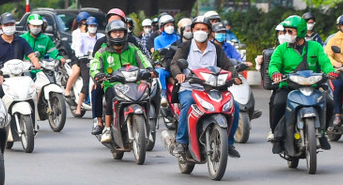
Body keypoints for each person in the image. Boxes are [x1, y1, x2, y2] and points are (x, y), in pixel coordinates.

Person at [169, 16, 242, 158]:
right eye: (197, 29)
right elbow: (174, 63)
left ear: (209, 31)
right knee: (189, 103)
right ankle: (181, 142)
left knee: (235, 107)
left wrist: (235, 76)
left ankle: (229, 143)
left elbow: (228, 65)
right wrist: (178, 74)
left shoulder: (216, 49)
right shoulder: (185, 47)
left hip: (213, 89)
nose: (200, 32)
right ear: (192, 31)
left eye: (204, 29)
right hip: (190, 88)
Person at [268, 15, 336, 152]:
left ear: (300, 32)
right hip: (288, 86)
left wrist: (331, 71)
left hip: (312, 85)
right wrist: (275, 74)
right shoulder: (281, 49)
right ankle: (277, 136)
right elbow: (273, 65)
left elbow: (325, 62)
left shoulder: (315, 47)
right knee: (278, 103)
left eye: (290, 31)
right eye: (285, 31)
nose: (286, 34)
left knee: (329, 102)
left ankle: (323, 133)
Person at [90, 19, 153, 143]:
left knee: (147, 93)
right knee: (110, 96)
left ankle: (148, 127)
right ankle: (107, 128)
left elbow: (143, 60)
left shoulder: (133, 49)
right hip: (112, 84)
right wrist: (98, 74)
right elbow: (95, 66)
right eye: (115, 32)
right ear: (109, 35)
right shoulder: (103, 52)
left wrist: (149, 69)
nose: (118, 35)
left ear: (125, 34)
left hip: (134, 83)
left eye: (120, 32)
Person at [66, 16, 101, 115]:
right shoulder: (82, 37)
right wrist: (82, 54)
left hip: (96, 61)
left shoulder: (99, 37)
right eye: (90, 25)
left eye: (94, 25)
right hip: (84, 61)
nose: (92, 27)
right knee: (87, 82)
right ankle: (78, 107)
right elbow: (78, 49)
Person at [152, 14, 180, 94]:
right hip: (164, 66)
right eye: (167, 25)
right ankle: (163, 95)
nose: (170, 27)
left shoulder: (177, 38)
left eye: (171, 25)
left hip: (176, 65)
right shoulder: (157, 39)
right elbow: (157, 54)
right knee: (160, 73)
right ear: (162, 27)